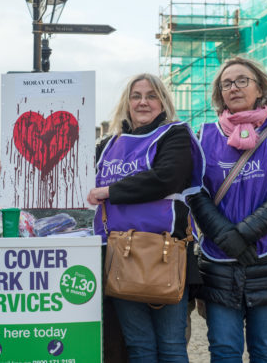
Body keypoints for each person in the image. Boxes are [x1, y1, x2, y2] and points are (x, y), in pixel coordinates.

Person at [187, 56, 267, 362]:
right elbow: (196, 193)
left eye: (242, 81)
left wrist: (244, 233)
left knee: (266, 350)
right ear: (220, 94)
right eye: (227, 83)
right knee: (224, 350)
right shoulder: (204, 136)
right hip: (219, 262)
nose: (234, 88)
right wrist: (226, 236)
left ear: (259, 88)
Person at [87, 73, 204, 362]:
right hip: (119, 253)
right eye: (136, 96)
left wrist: (110, 191)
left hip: (163, 252)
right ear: (126, 103)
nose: (143, 102)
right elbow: (72, 180)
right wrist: (10, 172)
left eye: (151, 96)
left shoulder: (175, 135)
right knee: (139, 346)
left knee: (171, 345)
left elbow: (165, 178)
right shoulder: (106, 145)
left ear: (163, 103)